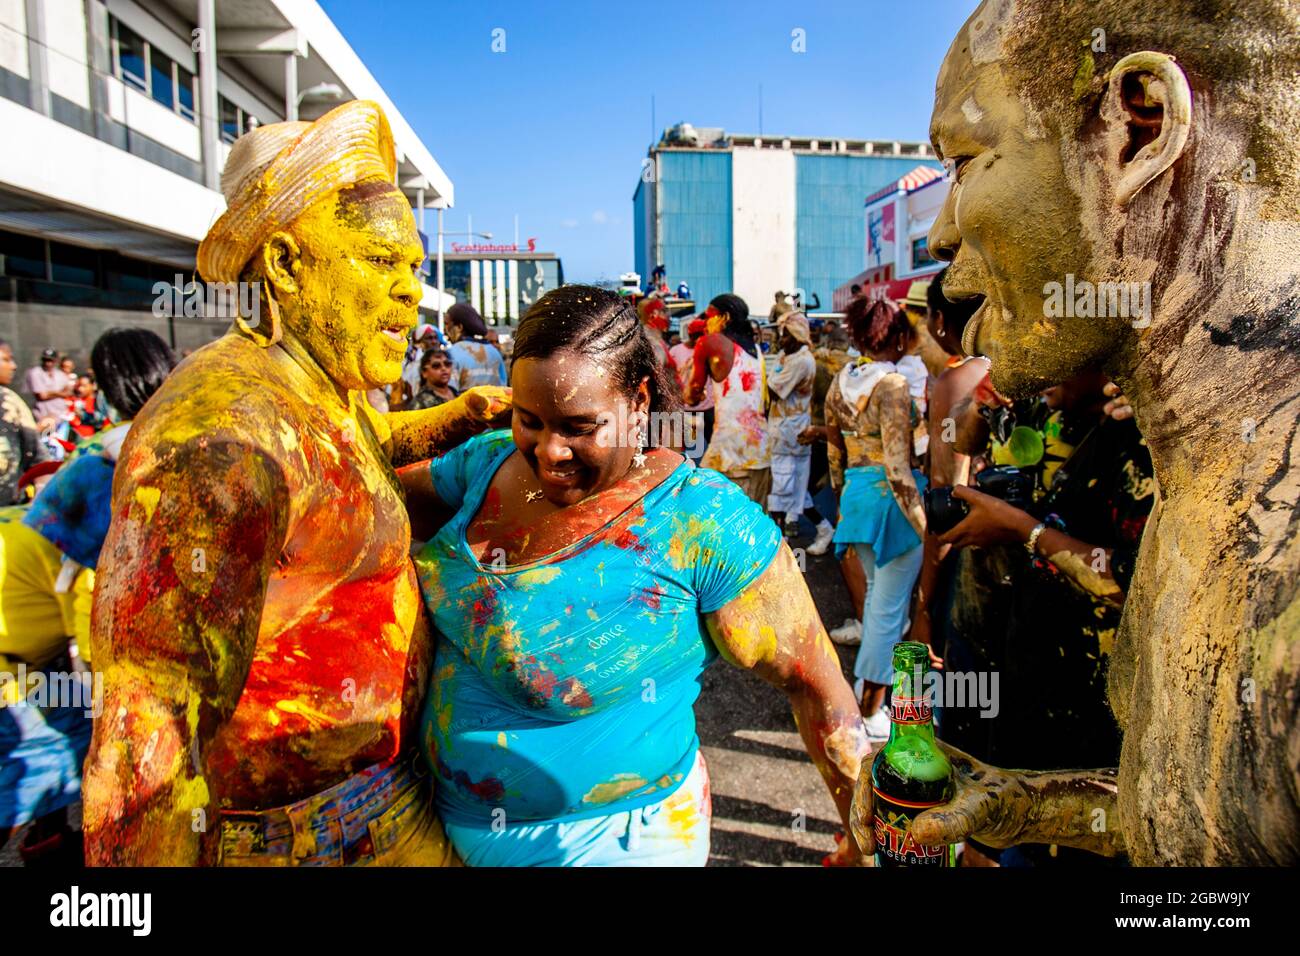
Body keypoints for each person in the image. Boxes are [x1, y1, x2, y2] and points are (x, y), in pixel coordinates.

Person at [852, 0, 1300, 866]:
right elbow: (1204, 835)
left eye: (966, 159)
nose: (941, 229)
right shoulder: (1203, 491)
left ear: (1140, 128)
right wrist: (1020, 807)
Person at [81, 100, 509, 866]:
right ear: (284, 264)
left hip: (386, 804)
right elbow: (147, 724)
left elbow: (355, 449)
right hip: (298, 843)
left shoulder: (318, 391)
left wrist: (462, 414)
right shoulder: (219, 440)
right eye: (383, 262)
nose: (413, 291)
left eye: (412, 267)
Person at [401, 284, 869, 866]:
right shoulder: (491, 459)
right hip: (431, 829)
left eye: (579, 427)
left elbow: (816, 683)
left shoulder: (700, 521)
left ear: (639, 403)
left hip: (609, 845)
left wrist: (864, 831)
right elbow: (374, 505)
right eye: (531, 420)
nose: (549, 451)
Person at [935, 367, 1155, 866]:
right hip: (990, 623)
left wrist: (1023, 530)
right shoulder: (1031, 392)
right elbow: (957, 435)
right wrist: (980, 405)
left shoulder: (1134, 434)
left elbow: (1129, 579)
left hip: (1076, 668)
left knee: (1047, 818)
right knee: (969, 769)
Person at [824, 298, 927, 741]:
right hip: (892, 504)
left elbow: (834, 452)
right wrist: (926, 527)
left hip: (855, 498)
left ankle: (868, 698)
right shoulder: (894, 385)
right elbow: (899, 467)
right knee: (887, 612)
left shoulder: (839, 382)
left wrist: (842, 501)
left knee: (876, 606)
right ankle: (869, 711)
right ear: (898, 337)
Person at [686, 293, 771, 505]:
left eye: (709, 316)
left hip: (730, 455)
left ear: (724, 317)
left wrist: (695, 391)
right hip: (760, 453)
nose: (705, 322)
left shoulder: (710, 342)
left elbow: (691, 395)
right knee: (754, 527)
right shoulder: (756, 350)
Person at [766, 311, 834, 553]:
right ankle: (825, 529)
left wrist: (768, 375)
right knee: (795, 491)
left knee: (782, 488)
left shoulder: (801, 361)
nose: (780, 341)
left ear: (796, 336)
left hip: (792, 434)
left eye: (784, 336)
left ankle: (776, 546)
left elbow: (774, 391)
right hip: (785, 431)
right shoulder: (788, 356)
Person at [0, 340, 49, 505]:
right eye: (6, 359)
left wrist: (40, 493)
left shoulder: (10, 402)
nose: (13, 366)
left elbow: (38, 459)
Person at [668, 317, 712, 463]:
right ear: (690, 335)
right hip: (686, 409)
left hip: (707, 408)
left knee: (709, 450)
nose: (698, 339)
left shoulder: (708, 351)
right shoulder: (676, 351)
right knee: (693, 451)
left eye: (701, 335)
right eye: (696, 336)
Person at [446, 302, 508, 389]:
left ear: (459, 327)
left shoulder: (451, 353)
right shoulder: (494, 352)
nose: (446, 329)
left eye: (447, 324)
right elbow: (503, 386)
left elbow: (450, 390)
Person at [25, 348, 73, 423]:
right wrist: (60, 393)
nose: (48, 363)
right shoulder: (35, 372)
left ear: (55, 361)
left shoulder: (59, 374)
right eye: (45, 360)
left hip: (61, 416)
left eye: (51, 360)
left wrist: (50, 393)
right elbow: (42, 396)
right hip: (44, 417)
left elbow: (68, 392)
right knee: (47, 434)